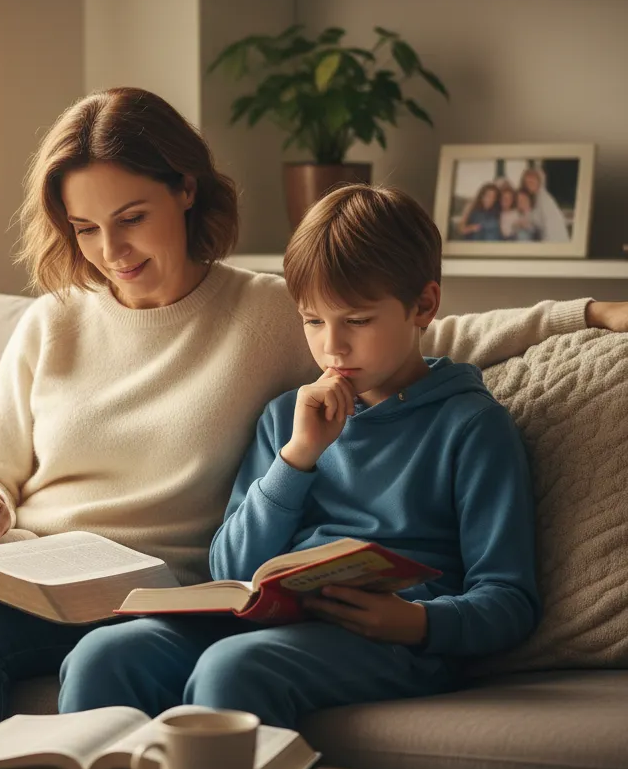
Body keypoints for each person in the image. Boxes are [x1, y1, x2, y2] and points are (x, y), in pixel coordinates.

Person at [0, 87, 628, 723]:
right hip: (21, 560)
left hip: (135, 581)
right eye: (86, 229)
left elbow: (415, 333)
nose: (112, 252)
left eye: (131, 219)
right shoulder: (50, 322)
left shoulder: (271, 314)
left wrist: (584, 312)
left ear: (184, 191)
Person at [58, 185, 538, 728]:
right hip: (275, 622)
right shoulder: (287, 419)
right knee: (104, 654)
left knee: (233, 669)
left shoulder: (471, 426)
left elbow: (509, 599)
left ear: (423, 305)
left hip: (393, 638)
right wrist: (298, 458)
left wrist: (416, 622)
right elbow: (231, 569)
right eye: (313, 321)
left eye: (356, 321)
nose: (332, 347)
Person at [521, 167, 570, 242]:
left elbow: (549, 225)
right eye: (527, 183)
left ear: (539, 181)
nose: (529, 185)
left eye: (532, 181)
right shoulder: (536, 199)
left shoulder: (545, 199)